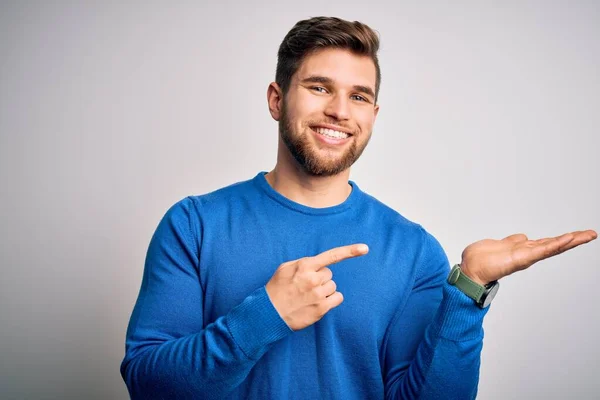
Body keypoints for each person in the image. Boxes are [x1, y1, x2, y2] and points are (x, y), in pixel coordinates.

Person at [119, 16, 596, 399]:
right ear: (276, 99)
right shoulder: (193, 224)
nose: (340, 111)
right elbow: (148, 384)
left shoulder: (413, 250)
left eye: (359, 96)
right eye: (320, 87)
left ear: (373, 115)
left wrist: (469, 290)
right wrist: (265, 315)